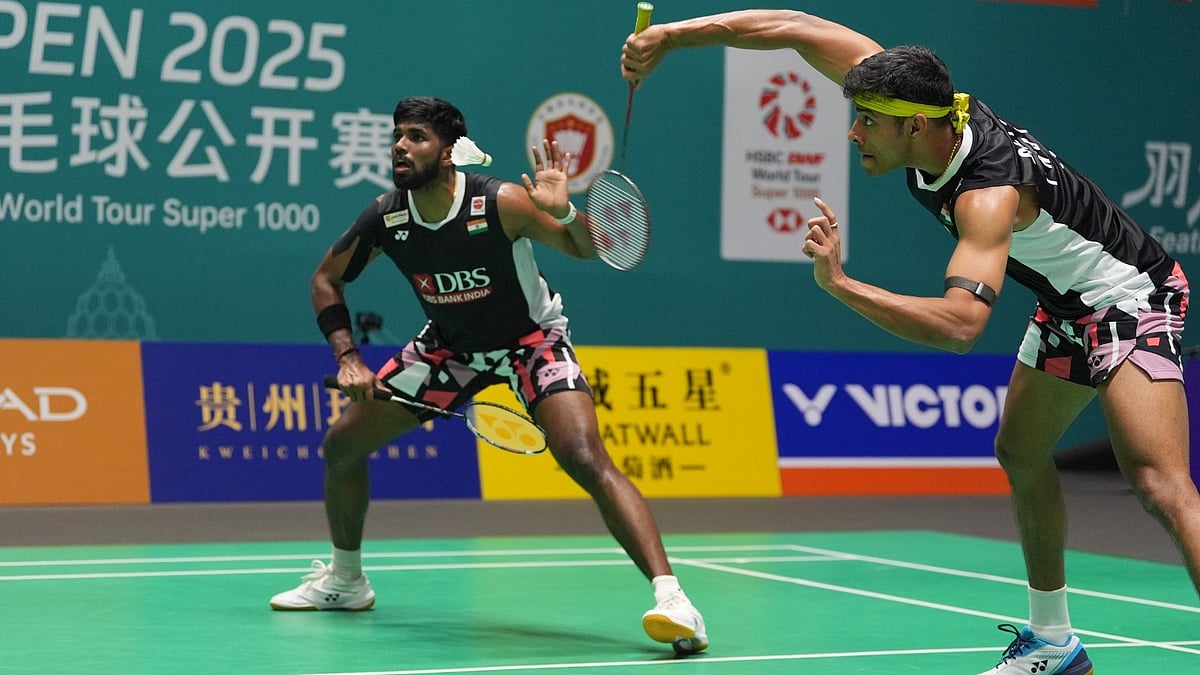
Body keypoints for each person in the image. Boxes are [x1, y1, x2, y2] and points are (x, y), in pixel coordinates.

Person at [620, 9, 1200, 675]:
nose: (853, 132)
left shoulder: (987, 192)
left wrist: (841, 284)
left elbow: (960, 325)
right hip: (1067, 304)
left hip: (1131, 295)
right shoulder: (907, 93)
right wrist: (672, 36)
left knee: (1160, 483)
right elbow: (787, 25)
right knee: (1020, 450)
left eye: (867, 121)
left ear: (914, 126)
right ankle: (1054, 642)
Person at [269, 96, 708, 656]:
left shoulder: (499, 202)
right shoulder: (387, 217)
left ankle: (673, 600)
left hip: (531, 340)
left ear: (448, 152)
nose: (401, 146)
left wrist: (566, 210)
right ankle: (346, 581)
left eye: (417, 137)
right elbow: (326, 280)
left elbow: (586, 249)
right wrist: (347, 357)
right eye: (397, 135)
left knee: (582, 455)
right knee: (342, 447)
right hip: (449, 349)